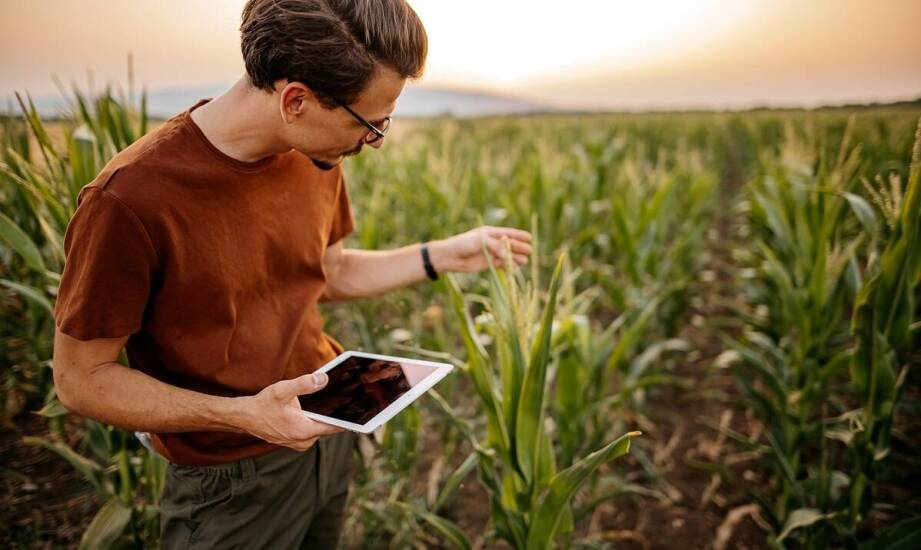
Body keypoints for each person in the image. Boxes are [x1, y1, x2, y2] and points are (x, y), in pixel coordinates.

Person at [50, 0, 533, 548]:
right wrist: (242, 416)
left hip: (328, 439)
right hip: (230, 483)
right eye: (372, 123)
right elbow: (79, 378)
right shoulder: (130, 200)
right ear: (296, 100)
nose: (377, 140)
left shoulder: (316, 154)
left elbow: (328, 272)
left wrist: (441, 255)